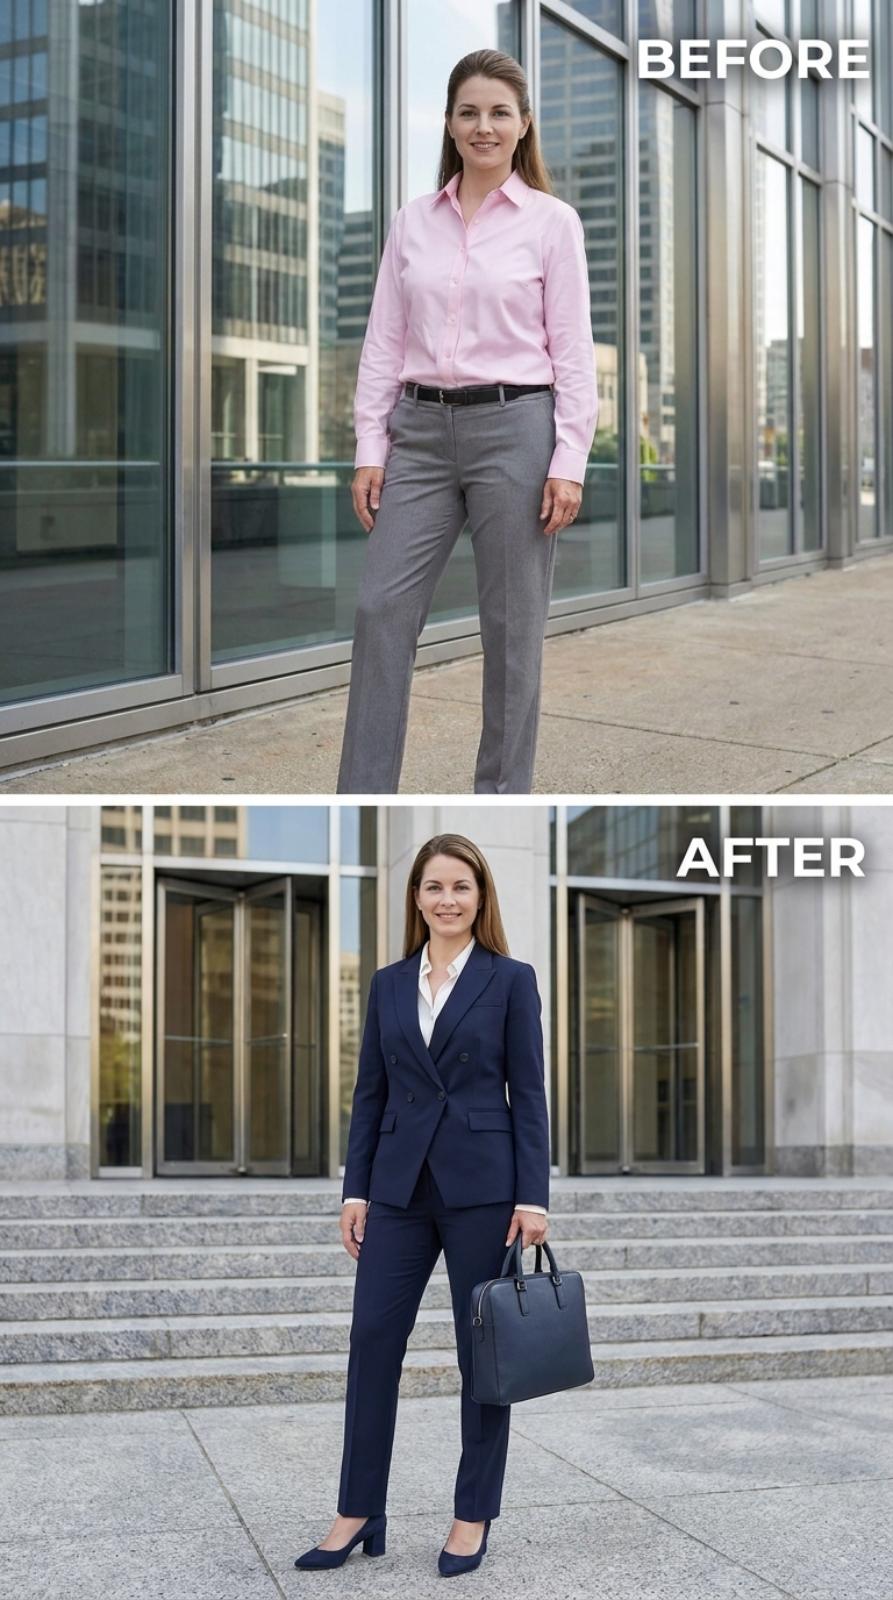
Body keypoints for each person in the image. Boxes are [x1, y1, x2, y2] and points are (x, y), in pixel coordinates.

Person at [336, 47, 599, 795]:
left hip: (516, 428)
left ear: (522, 128)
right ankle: (363, 794)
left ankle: (500, 797)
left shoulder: (552, 223)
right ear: (450, 126)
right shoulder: (411, 222)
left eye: (498, 113)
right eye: (468, 112)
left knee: (512, 633)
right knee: (379, 609)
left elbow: (572, 351)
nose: (483, 126)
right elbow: (383, 341)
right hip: (417, 432)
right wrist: (369, 446)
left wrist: (568, 460)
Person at [294, 834, 550, 1576]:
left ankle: (471, 1515)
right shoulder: (386, 983)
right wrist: (356, 1187)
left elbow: (527, 1094)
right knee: (372, 1341)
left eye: (460, 887)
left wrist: (533, 1197)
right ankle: (357, 1509)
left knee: (483, 1359)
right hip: (399, 1190)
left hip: (483, 1189)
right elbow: (369, 1095)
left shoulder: (509, 979)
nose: (446, 899)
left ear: (480, 898)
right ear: (415, 897)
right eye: (433, 886)